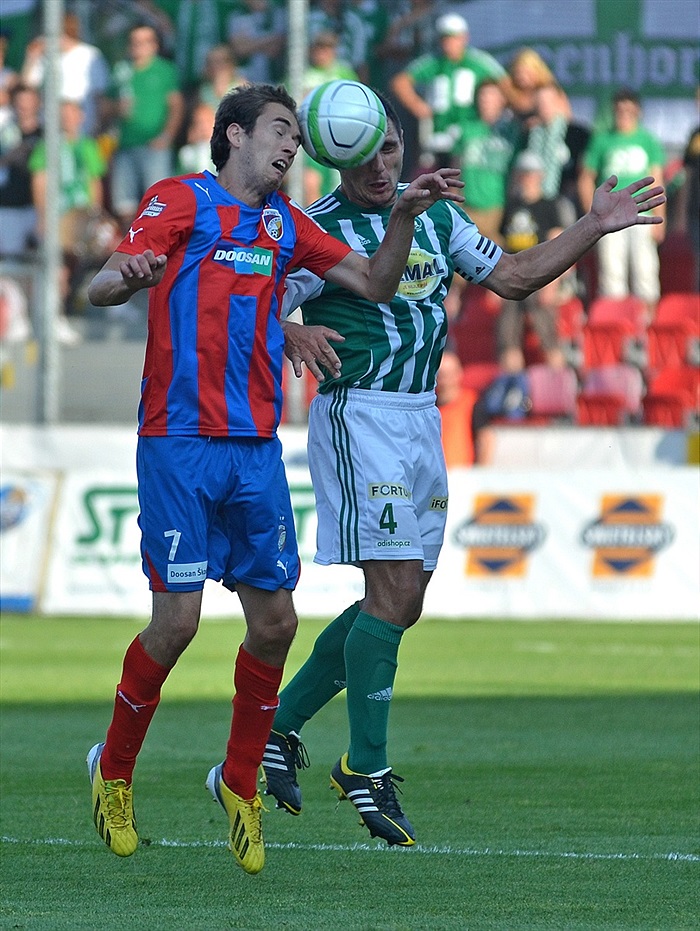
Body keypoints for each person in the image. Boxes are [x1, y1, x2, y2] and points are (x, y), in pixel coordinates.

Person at [262, 92, 665, 848]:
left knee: (403, 601)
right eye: (366, 153)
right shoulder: (316, 231)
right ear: (338, 156)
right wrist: (290, 329)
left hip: (420, 418)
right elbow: (261, 300)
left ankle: (278, 728)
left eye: (390, 148)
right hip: (361, 412)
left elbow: (511, 278)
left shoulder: (438, 217)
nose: (381, 165)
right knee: (388, 593)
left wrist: (592, 225)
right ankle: (366, 770)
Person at [85, 82, 464, 875]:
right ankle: (113, 771)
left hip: (255, 448)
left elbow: (375, 285)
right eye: (280, 131)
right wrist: (128, 275)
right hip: (180, 442)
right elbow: (103, 283)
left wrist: (400, 220)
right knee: (177, 624)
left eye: (296, 135)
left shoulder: (285, 225)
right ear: (234, 135)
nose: (292, 146)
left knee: (276, 625)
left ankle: (239, 782)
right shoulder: (179, 201)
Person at [578, 88, 666, 322]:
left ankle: (646, 331)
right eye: (619, 110)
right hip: (609, 218)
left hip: (642, 214)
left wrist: (660, 217)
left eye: (629, 110)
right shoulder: (602, 140)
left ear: (638, 111)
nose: (624, 115)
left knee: (645, 274)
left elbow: (657, 179)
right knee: (611, 275)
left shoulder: (647, 140)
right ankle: (616, 329)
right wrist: (592, 214)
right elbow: (586, 177)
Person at [390, 12, 514, 170]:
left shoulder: (478, 61)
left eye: (454, 38)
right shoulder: (433, 62)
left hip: (470, 135)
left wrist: (495, 111)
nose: (449, 43)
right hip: (439, 135)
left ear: (464, 38)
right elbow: (400, 82)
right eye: (445, 38)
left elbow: (505, 83)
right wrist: (418, 106)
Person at [497, 150, 577, 371]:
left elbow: (558, 246)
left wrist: (552, 283)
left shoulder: (549, 206)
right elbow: (503, 243)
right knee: (507, 338)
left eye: (531, 174)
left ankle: (556, 388)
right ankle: (512, 388)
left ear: (540, 177)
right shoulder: (512, 205)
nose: (526, 179)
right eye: (523, 174)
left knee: (548, 335)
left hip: (539, 275)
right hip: (512, 276)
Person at [104, 23, 185, 232]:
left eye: (144, 41)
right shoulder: (121, 71)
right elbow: (104, 105)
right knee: (125, 206)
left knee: (159, 204)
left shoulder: (165, 70)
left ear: (155, 45)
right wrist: (115, 108)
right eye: (134, 42)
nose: (138, 46)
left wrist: (167, 136)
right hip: (125, 145)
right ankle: (130, 250)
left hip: (154, 146)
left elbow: (176, 106)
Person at [459, 79, 521, 245]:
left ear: (503, 99)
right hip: (469, 205)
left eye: (492, 95)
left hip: (498, 205)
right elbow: (455, 167)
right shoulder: (467, 129)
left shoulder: (513, 130)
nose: (486, 100)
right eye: (483, 95)